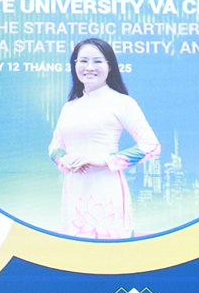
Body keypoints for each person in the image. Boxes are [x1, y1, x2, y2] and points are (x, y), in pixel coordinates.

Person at [48, 38, 161, 239]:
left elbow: (151, 146)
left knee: (108, 249)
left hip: (106, 188)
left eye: (97, 61)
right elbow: (54, 145)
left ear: (110, 66)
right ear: (74, 65)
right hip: (74, 188)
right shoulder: (70, 106)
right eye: (83, 61)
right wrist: (64, 159)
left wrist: (104, 161)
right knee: (74, 248)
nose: (89, 67)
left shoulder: (122, 103)